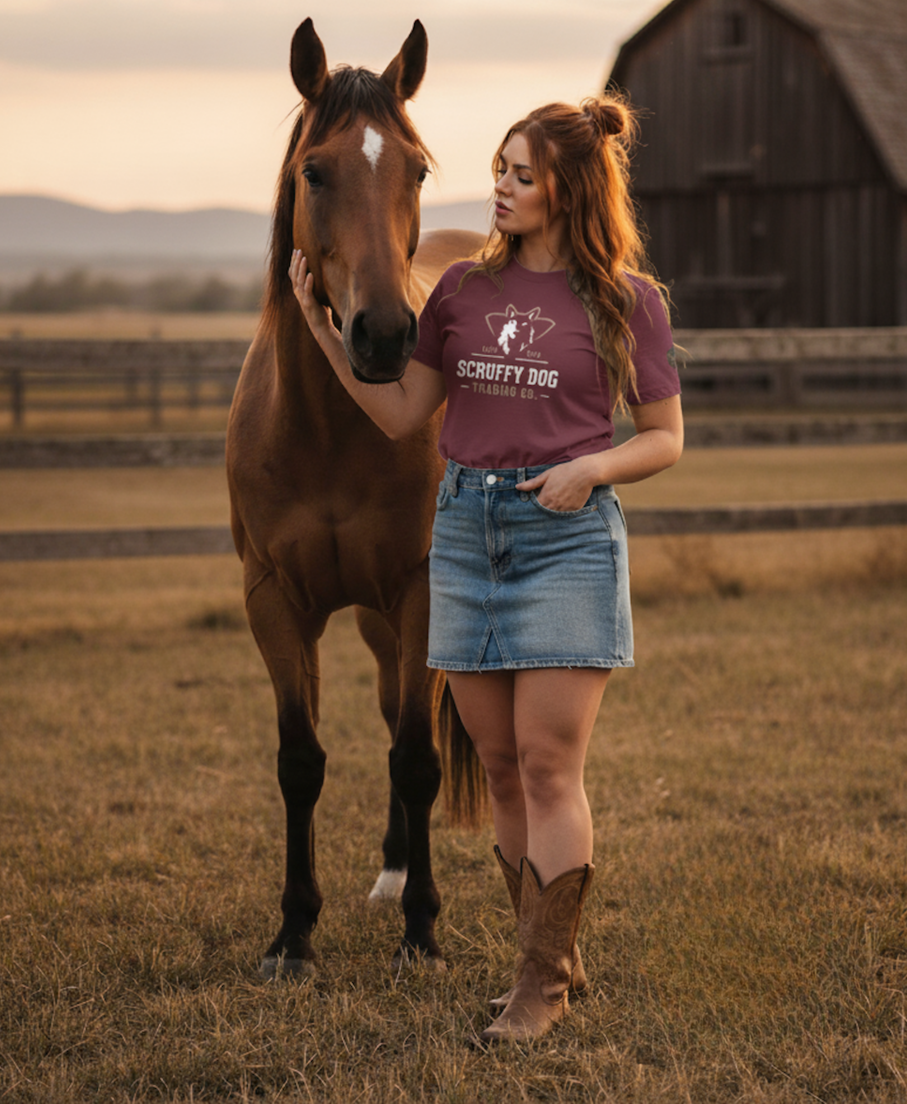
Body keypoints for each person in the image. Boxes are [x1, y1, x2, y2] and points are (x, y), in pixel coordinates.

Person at [290, 96, 683, 1044]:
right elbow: (399, 416)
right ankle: (550, 960)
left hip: (568, 539)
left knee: (550, 767)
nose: (499, 188)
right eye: (498, 169)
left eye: (521, 174)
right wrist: (317, 324)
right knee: (501, 772)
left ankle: (538, 989)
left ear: (570, 190)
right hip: (466, 535)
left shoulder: (627, 302)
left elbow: (665, 441)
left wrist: (590, 468)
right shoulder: (461, 291)